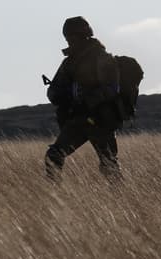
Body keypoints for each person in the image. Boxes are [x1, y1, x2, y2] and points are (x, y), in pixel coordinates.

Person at [44, 16, 122, 180]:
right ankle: (53, 198)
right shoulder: (69, 63)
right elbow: (53, 91)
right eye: (68, 37)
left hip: (100, 119)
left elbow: (112, 88)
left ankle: (122, 201)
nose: (70, 41)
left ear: (83, 35)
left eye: (73, 37)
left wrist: (90, 100)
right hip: (78, 119)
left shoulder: (102, 58)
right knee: (54, 156)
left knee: (109, 164)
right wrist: (61, 96)